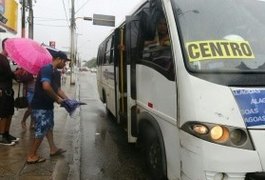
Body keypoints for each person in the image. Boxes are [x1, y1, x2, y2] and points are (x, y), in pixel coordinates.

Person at [26, 50, 70, 164]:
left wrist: (68, 100)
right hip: (40, 106)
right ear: (59, 59)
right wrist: (57, 99)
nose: (65, 64)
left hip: (47, 105)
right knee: (41, 130)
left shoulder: (55, 72)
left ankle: (53, 149)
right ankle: (31, 155)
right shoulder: (46, 69)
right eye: (64, 62)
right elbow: (45, 86)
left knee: (49, 127)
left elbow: (58, 89)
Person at [0, 38, 19, 146]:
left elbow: (8, 74)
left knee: (9, 112)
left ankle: (6, 133)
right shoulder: (0, 58)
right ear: (5, 46)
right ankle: (1, 135)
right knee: (3, 114)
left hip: (8, 90)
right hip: (2, 90)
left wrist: (16, 74)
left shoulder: (6, 59)